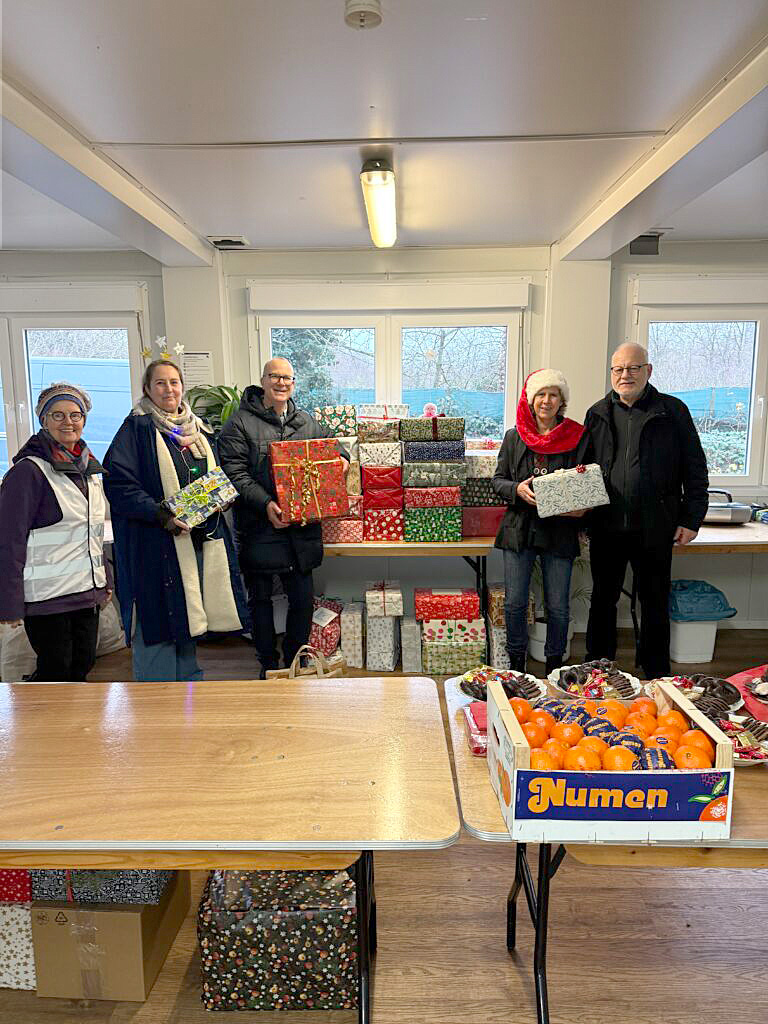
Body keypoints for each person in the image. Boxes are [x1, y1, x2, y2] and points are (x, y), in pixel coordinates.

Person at [103, 359, 247, 681]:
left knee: (186, 617)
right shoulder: (136, 430)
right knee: (159, 620)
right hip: (155, 544)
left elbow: (209, 476)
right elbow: (119, 484)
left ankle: (187, 692)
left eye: (174, 382)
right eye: (160, 383)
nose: (169, 389)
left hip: (195, 541)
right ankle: (157, 697)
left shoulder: (198, 430)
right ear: (146, 389)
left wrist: (220, 498)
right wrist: (160, 513)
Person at [584, 342, 709, 679]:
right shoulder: (596, 413)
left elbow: (695, 468)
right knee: (602, 600)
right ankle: (598, 670)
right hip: (606, 526)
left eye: (633, 368)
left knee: (654, 602)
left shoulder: (672, 411)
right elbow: (584, 469)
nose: (625, 375)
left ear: (648, 371)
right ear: (611, 373)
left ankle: (657, 676)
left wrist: (691, 518)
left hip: (656, 526)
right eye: (618, 369)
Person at [218, 357, 348, 677]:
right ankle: (267, 663)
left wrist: (340, 463)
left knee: (302, 601)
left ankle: (294, 661)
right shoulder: (239, 424)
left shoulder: (306, 421)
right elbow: (234, 473)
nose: (281, 383)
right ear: (262, 380)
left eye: (287, 378)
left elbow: (337, 450)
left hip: (301, 530)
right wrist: (265, 505)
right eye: (274, 377)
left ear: (294, 384)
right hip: (260, 526)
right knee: (260, 600)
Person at [0, 382, 112, 681]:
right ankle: (45, 727)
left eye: (75, 415)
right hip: (47, 599)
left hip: (85, 593)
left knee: (83, 666)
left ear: (84, 421)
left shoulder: (89, 469)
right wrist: (8, 602)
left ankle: (77, 728)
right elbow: (8, 541)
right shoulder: (27, 472)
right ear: (43, 421)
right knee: (56, 673)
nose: (68, 422)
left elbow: (93, 535)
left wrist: (106, 581)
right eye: (57, 415)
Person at [492, 369, 590, 674]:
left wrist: (582, 506)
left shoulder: (577, 436)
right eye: (541, 394)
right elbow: (497, 481)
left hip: (560, 531)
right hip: (520, 529)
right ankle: (516, 666)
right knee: (515, 604)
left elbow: (587, 481)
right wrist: (516, 489)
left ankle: (554, 668)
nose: (547, 400)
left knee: (558, 606)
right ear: (531, 399)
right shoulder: (514, 436)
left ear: (561, 400)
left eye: (553, 394)